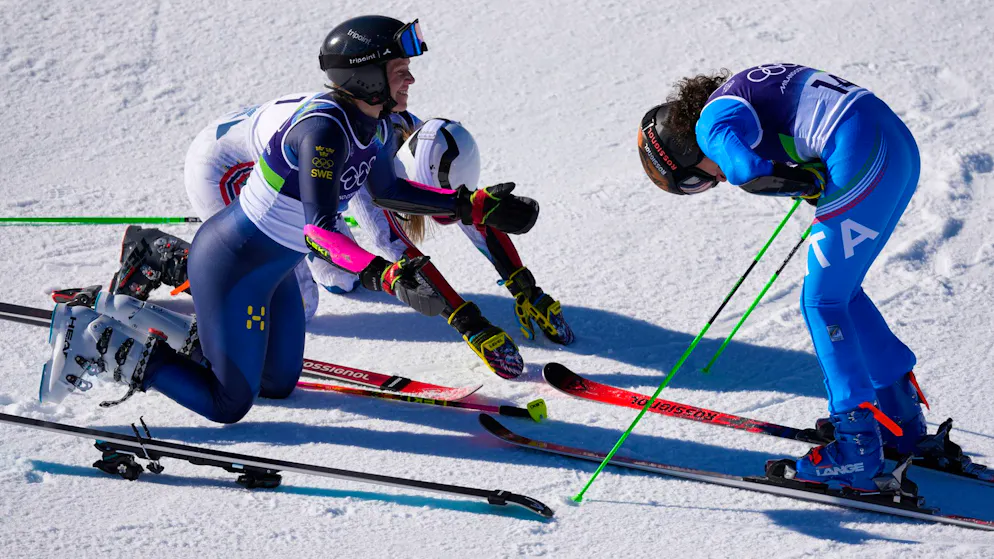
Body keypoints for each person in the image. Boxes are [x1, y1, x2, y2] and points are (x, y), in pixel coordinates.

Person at [39, 15, 540, 423]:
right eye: (398, 69)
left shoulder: (379, 126)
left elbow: (389, 191)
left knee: (278, 385)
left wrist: (472, 207)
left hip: (274, 268)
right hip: (232, 262)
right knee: (228, 404)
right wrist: (384, 275)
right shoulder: (323, 130)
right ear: (366, 76)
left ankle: (198, 335)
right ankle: (94, 338)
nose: (409, 79)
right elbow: (319, 231)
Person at [637, 63, 965, 493]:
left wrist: (801, 180)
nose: (711, 182)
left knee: (822, 301)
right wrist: (806, 177)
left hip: (863, 154)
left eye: (697, 179)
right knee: (840, 292)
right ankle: (900, 421)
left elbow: (746, 171)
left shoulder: (711, 123)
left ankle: (856, 450)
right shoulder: (743, 88)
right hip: (895, 147)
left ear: (683, 147)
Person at [103, 112, 573, 380]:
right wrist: (470, 323)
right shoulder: (375, 166)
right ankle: (162, 254)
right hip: (222, 170)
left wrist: (525, 288)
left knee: (341, 277)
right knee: (304, 302)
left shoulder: (424, 139)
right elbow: (397, 249)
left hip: (272, 158)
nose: (441, 217)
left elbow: (470, 213)